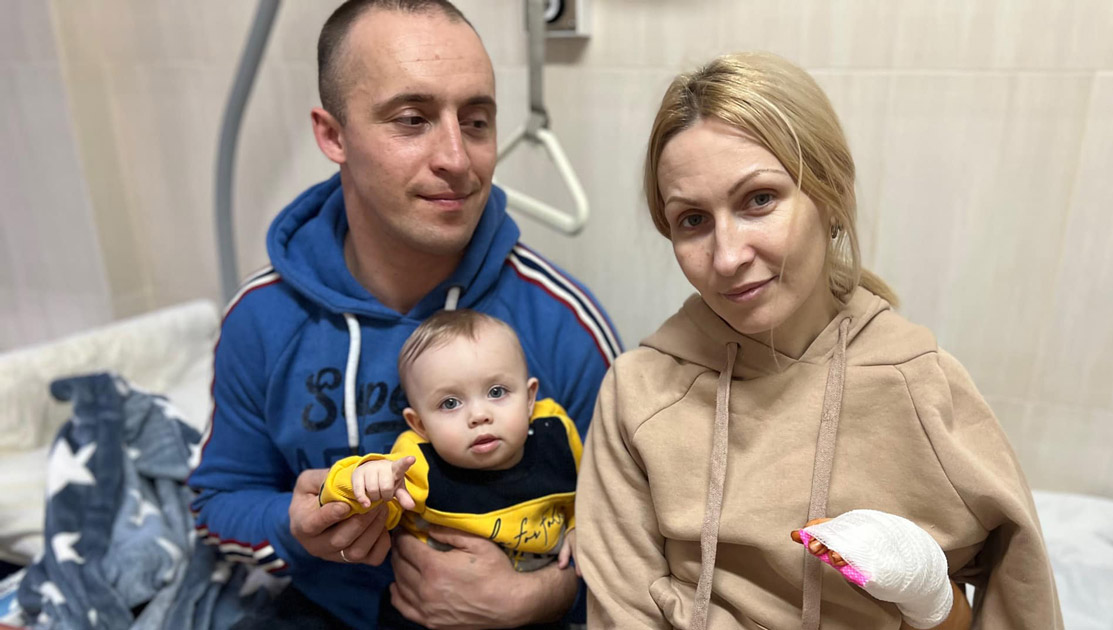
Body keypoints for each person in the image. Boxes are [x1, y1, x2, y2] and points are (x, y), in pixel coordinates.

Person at [575, 52, 1062, 629]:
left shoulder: (919, 386)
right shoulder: (639, 394)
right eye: (693, 220)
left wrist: (936, 599)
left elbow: (1017, 599)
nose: (727, 257)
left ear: (833, 197)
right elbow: (621, 611)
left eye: (759, 199)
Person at [187, 1, 619, 628]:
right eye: (412, 120)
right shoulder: (263, 319)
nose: (457, 159)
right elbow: (219, 503)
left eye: (476, 121)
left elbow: (637, 541)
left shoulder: (561, 322)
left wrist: (538, 598)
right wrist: (290, 525)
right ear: (333, 135)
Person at [319, 309, 582, 573]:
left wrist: (577, 526)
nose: (479, 416)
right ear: (420, 425)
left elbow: (587, 496)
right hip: (432, 594)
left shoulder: (556, 432)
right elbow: (362, 512)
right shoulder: (415, 463)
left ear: (529, 398)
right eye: (450, 403)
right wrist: (363, 478)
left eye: (496, 392)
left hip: (547, 591)